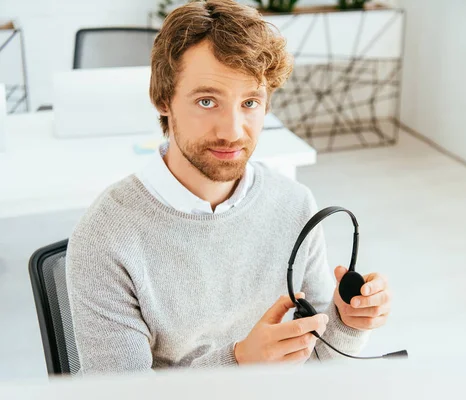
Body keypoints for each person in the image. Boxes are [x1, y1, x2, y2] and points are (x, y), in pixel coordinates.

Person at [65, 0, 392, 374]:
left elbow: (317, 356)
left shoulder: (294, 204)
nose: (232, 131)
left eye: (250, 102)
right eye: (207, 101)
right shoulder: (104, 238)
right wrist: (239, 361)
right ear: (162, 100)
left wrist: (350, 322)